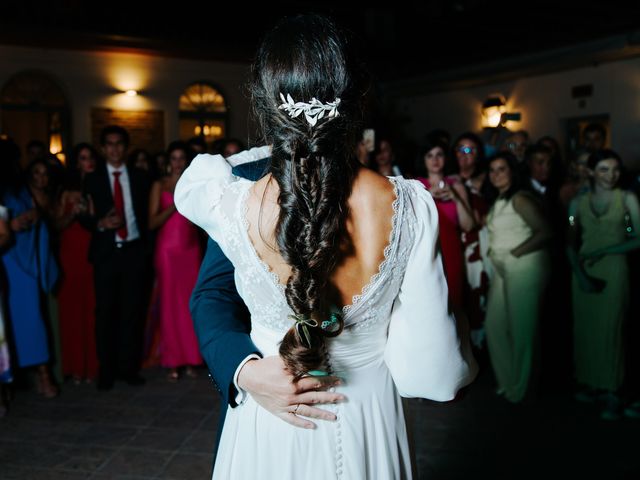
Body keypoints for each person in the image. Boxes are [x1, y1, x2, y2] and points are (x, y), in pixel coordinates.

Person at [176, 15, 476, 479]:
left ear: (262, 103)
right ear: (359, 98)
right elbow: (430, 370)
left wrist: (289, 138)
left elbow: (198, 181)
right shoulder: (411, 205)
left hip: (273, 429)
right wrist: (244, 370)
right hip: (366, 416)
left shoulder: (228, 200)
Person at [567, 149, 640, 419]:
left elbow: (637, 236)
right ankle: (593, 385)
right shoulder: (577, 204)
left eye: (616, 169)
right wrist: (580, 275)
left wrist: (605, 250)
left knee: (612, 330)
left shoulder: (628, 199)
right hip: (583, 272)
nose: (612, 175)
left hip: (615, 269)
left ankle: (612, 391)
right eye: (604, 169)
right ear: (592, 172)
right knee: (587, 331)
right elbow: (570, 243)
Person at [81, 125, 150, 391]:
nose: (114, 148)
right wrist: (99, 223)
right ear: (102, 148)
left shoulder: (140, 177)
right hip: (106, 254)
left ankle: (128, 369)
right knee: (106, 314)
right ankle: (106, 371)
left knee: (132, 313)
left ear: (126, 146)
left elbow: (146, 214)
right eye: (109, 144)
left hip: (134, 251)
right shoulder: (93, 178)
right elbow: (82, 214)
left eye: (119, 143)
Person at [484, 151, 552, 404]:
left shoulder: (521, 198)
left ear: (513, 171)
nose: (496, 174)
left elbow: (546, 231)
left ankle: (521, 390)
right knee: (494, 326)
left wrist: (515, 254)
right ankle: (509, 382)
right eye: (492, 170)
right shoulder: (500, 199)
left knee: (523, 330)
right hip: (504, 267)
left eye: (502, 169)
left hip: (525, 264)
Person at [148, 141, 202, 381]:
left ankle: (191, 358)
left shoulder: (194, 183)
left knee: (189, 306)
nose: (177, 162)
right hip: (168, 251)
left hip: (190, 250)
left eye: (182, 158)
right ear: (168, 161)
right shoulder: (160, 185)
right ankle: (172, 360)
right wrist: (175, 205)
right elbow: (152, 222)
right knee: (170, 306)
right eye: (174, 158)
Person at [56, 143, 99, 384]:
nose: (88, 162)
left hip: (91, 251)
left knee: (90, 308)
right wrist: (73, 213)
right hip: (71, 251)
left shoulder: (96, 187)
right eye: (83, 158)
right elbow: (57, 224)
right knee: (72, 309)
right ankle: (74, 367)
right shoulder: (66, 192)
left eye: (91, 157)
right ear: (76, 162)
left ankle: (91, 367)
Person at [415, 138, 475, 309]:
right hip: (425, 251)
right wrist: (427, 196)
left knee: (454, 301)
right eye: (430, 155)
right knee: (429, 302)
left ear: (446, 158)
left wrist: (455, 197)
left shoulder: (457, 186)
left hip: (452, 250)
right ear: (423, 160)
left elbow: (469, 226)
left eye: (439, 154)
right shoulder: (417, 186)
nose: (435, 160)